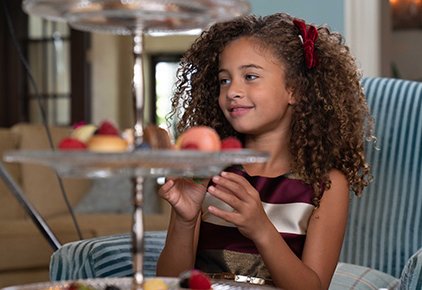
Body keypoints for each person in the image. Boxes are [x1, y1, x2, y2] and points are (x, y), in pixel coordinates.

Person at [156, 12, 374, 290]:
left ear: (294, 90)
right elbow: (168, 281)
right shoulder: (206, 170)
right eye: (224, 80)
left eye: (250, 76)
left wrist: (261, 229)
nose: (232, 90)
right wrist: (185, 221)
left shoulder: (327, 185)